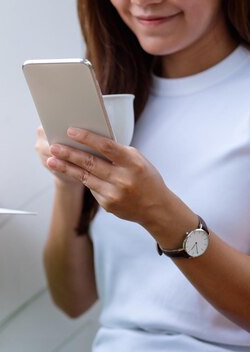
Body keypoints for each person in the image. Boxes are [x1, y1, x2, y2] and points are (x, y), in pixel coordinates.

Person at [35, 0, 250, 350]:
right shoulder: (115, 101)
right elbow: (72, 299)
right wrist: (68, 183)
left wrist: (160, 213)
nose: (144, 2)